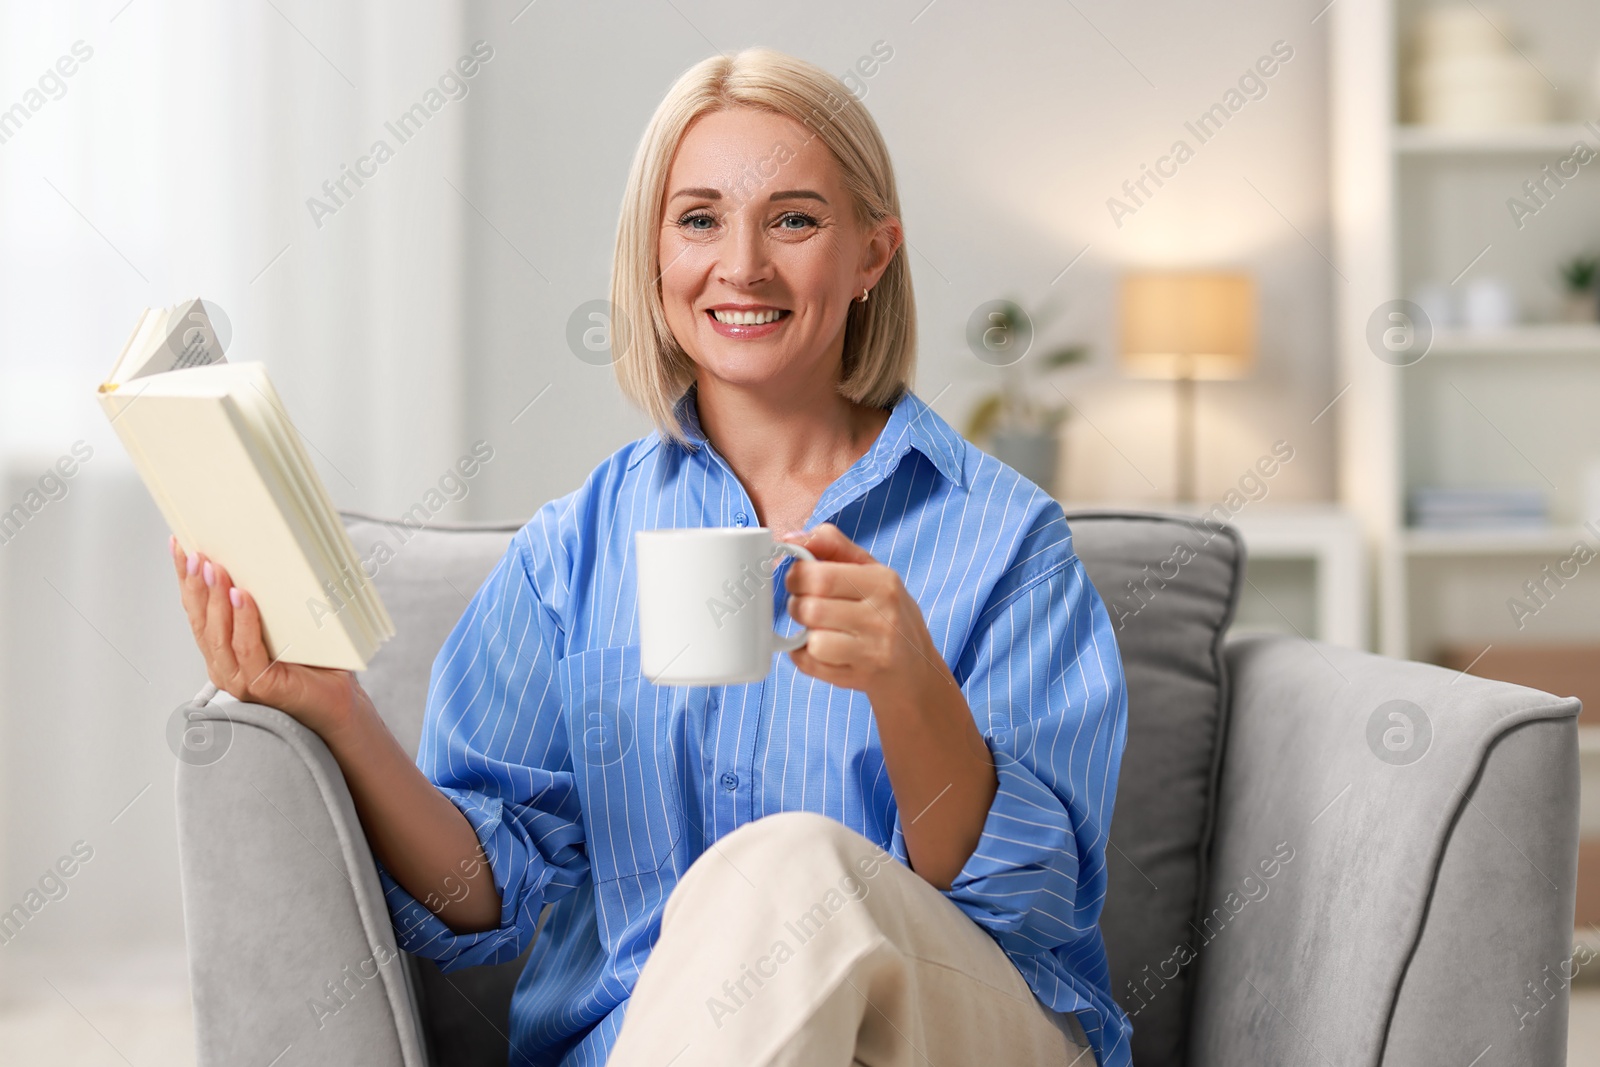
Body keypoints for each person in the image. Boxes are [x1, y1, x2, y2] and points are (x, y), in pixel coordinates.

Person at [171, 46, 1132, 1067]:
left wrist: (912, 690)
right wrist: (337, 710)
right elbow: (480, 894)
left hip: (961, 1034)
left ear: (871, 255)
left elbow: (1026, 902)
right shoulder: (576, 548)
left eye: (794, 218)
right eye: (700, 218)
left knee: (791, 865)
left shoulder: (1004, 539)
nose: (743, 265)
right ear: (654, 255)